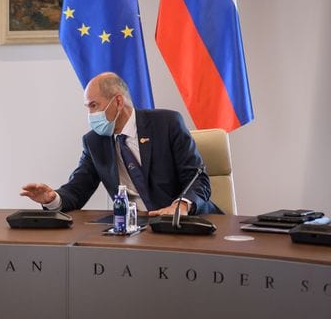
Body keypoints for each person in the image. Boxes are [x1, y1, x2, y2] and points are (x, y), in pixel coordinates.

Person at [21, 72, 222, 216]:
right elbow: (77, 189)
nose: (90, 115)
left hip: (185, 222)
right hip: (134, 228)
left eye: (94, 105)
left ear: (117, 101)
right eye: (87, 107)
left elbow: (198, 180)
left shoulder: (167, 124)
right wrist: (52, 198)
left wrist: (181, 206)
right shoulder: (94, 141)